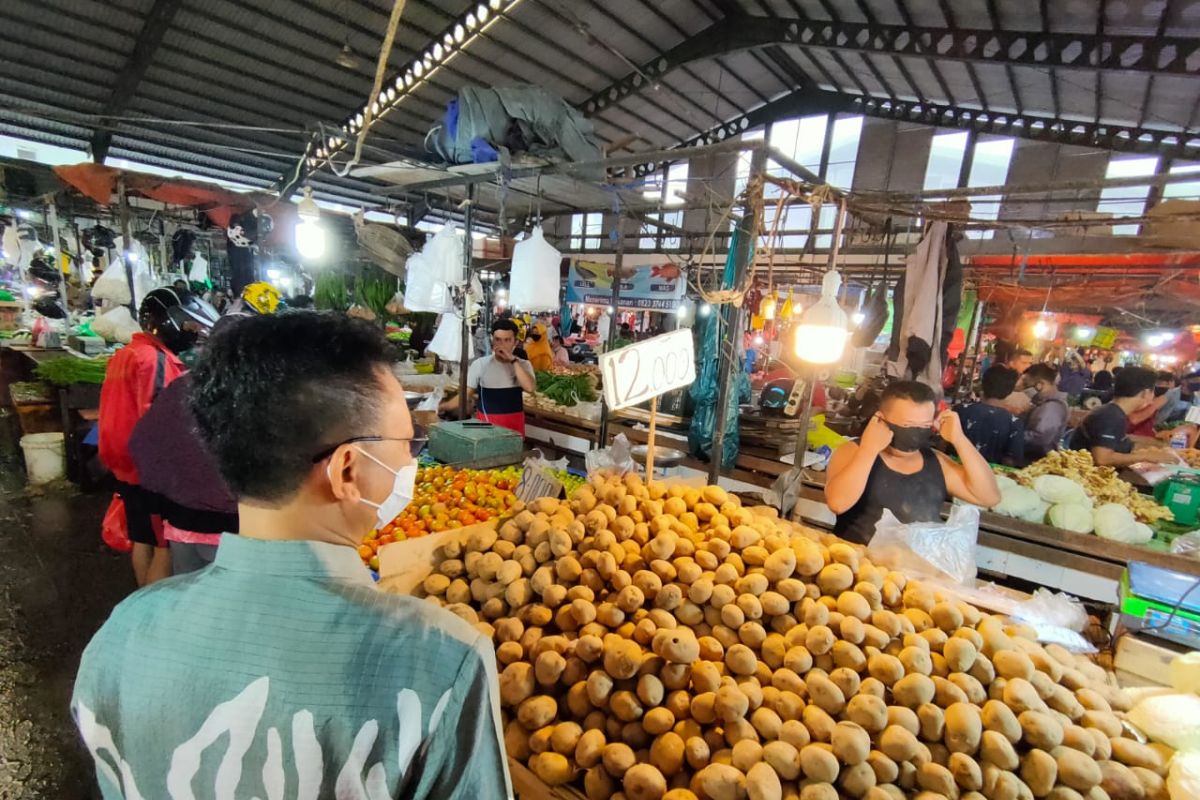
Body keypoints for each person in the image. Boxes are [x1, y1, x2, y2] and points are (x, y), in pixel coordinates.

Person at [73, 313, 511, 799]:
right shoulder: (441, 659)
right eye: (406, 444)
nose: (410, 463)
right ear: (348, 468)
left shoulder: (121, 635)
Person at [98, 287, 215, 586]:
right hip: (149, 471)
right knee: (163, 547)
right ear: (165, 321)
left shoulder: (125, 354)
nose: (192, 331)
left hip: (125, 464)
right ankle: (154, 609)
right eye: (188, 323)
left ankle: (144, 601)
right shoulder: (154, 360)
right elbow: (162, 420)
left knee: (142, 539)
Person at [825, 381, 1001, 545]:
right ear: (881, 419)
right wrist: (869, 450)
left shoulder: (936, 461)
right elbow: (838, 503)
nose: (916, 433)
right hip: (858, 565)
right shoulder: (854, 451)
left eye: (924, 426)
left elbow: (988, 497)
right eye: (907, 425)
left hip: (914, 569)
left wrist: (959, 439)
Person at [127, 373, 238, 574]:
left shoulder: (185, 384)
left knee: (188, 591)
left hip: (181, 520)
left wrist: (160, 496)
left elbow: (141, 441)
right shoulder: (261, 389)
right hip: (234, 525)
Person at [440, 319, 536, 435]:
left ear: (515, 342)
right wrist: (442, 406)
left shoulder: (523, 365)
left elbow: (530, 388)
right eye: (498, 340)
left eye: (507, 340)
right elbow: (464, 396)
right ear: (492, 340)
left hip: (514, 431)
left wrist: (513, 360)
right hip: (486, 431)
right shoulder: (480, 365)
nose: (502, 345)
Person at [1068, 366, 1176, 466]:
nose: (1153, 397)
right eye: (1153, 391)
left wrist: (1159, 445)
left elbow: (1122, 440)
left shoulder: (1114, 412)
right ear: (1145, 393)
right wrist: (1148, 457)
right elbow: (1102, 459)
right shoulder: (1111, 416)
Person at [952, 366, 1024, 466]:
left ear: (983, 384)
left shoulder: (960, 410)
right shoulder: (1014, 423)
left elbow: (943, 444)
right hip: (989, 477)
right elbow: (1011, 461)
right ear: (1010, 391)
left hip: (954, 470)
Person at [1021, 363, 1069, 461]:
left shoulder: (1052, 407)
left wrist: (1014, 435)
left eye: (1027, 385)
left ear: (1040, 385)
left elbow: (1041, 437)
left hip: (1036, 460)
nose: (1024, 389)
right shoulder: (1043, 404)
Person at [1001, 348, 1034, 414]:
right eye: (1024, 363)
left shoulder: (1032, 382)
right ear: (1012, 363)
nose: (1028, 366)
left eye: (1030, 363)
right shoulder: (999, 380)